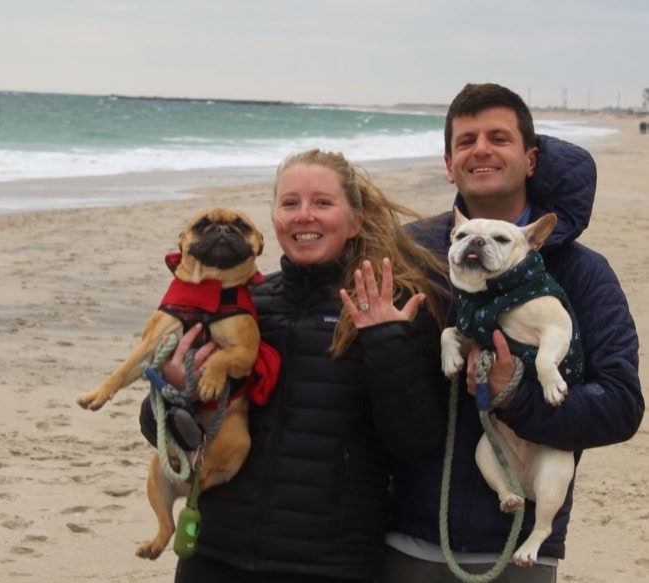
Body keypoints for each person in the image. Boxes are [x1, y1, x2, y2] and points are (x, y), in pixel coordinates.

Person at [141, 148, 451, 582]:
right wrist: (178, 391)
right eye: (290, 204)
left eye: (322, 203)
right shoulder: (242, 306)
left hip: (329, 563)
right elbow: (156, 429)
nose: (304, 216)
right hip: (215, 553)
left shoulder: (389, 309)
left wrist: (385, 342)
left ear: (355, 221)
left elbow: (415, 442)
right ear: (273, 220)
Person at [381, 83, 644, 583]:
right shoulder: (411, 252)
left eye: (498, 137)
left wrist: (518, 398)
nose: (480, 149)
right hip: (405, 532)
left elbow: (621, 406)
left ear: (530, 159)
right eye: (466, 141)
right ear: (448, 162)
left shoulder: (583, 273)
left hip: (517, 540)